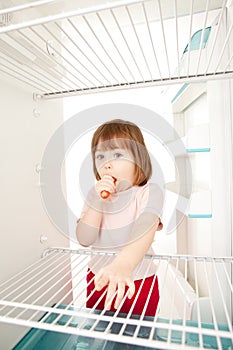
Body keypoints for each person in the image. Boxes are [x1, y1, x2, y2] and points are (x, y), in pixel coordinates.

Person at [76, 119, 163, 316]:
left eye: (117, 154)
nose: (106, 164)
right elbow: (84, 238)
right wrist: (97, 202)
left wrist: (123, 264)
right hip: (99, 279)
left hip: (138, 281)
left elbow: (145, 227)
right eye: (100, 156)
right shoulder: (94, 194)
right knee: (99, 332)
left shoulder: (149, 192)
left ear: (138, 160)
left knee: (140, 336)